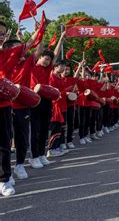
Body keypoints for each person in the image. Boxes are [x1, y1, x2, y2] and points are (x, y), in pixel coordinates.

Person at [29, 31, 66, 169]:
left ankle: (41, 154)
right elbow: (38, 49)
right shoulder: (32, 66)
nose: (47, 61)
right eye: (45, 58)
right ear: (40, 58)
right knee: (35, 130)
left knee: (44, 129)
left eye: (49, 60)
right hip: (33, 100)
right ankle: (33, 157)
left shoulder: (48, 68)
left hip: (46, 101)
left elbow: (55, 54)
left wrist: (61, 39)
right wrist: (41, 31)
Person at [0, 22, 29, 196]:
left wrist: (41, 28)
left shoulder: (7, 56)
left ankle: (4, 180)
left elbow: (29, 45)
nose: (1, 36)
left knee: (3, 144)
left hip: (3, 104)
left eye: (3, 34)